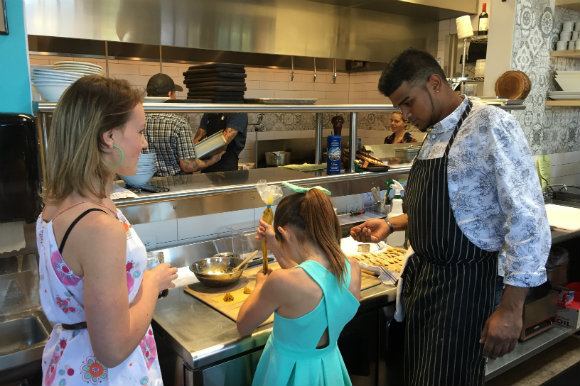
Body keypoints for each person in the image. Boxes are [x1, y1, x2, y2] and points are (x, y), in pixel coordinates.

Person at [350, 49, 550, 386]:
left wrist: (512, 309)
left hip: (465, 292)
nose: (404, 114)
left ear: (435, 83)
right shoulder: (433, 136)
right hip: (425, 289)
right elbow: (452, 211)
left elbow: (528, 219)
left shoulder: (491, 124)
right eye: (399, 107)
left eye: (408, 102)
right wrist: (392, 224)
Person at [37, 75, 179, 386]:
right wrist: (152, 284)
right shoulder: (99, 227)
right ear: (109, 136)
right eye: (140, 131)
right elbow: (112, 349)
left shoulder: (59, 202)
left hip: (69, 362)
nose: (144, 143)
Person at [237, 187, 361, 386]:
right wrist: (275, 243)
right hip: (330, 369)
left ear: (284, 233)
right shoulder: (352, 269)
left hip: (288, 373)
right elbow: (313, 278)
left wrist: (260, 285)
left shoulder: (279, 281)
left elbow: (244, 326)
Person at [144, 73, 223, 176]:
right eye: (174, 93)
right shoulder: (179, 123)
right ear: (169, 94)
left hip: (146, 183)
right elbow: (188, 166)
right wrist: (212, 161)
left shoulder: (137, 119)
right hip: (175, 185)